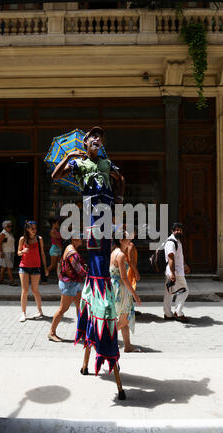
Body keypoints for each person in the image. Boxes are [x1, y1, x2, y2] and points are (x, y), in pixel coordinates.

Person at [52, 126, 126, 399]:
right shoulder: (78, 162)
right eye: (92, 137)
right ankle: (99, 299)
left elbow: (121, 177)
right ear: (85, 142)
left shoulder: (106, 162)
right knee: (96, 255)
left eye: (100, 137)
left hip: (106, 216)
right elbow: (55, 175)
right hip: (92, 218)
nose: (97, 139)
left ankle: (100, 292)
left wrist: (119, 198)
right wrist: (70, 154)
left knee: (104, 252)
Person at [48, 237, 87, 342]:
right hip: (69, 284)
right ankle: (51, 332)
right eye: (79, 239)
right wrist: (91, 273)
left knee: (80, 307)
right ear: (73, 240)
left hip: (74, 282)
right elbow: (79, 270)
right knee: (63, 309)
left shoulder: (69, 247)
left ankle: (82, 331)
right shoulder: (72, 253)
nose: (81, 240)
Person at [110, 232, 142, 352]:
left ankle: (127, 345)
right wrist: (135, 295)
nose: (130, 240)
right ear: (120, 240)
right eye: (127, 238)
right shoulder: (121, 255)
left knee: (124, 317)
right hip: (121, 290)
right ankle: (104, 338)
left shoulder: (114, 252)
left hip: (115, 288)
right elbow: (124, 277)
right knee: (124, 318)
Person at [17, 220, 49, 322]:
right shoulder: (22, 239)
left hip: (36, 267)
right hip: (24, 267)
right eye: (32, 228)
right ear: (27, 229)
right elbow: (18, 252)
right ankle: (23, 313)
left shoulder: (39, 239)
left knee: (35, 290)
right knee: (25, 290)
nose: (34, 230)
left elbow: (43, 254)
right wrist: (22, 251)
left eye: (35, 228)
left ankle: (40, 311)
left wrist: (45, 267)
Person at [163, 222, 191, 323]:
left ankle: (167, 313)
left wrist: (185, 265)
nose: (178, 231)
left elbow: (179, 257)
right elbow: (171, 258)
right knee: (185, 290)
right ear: (172, 231)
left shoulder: (177, 241)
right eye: (176, 230)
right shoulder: (171, 242)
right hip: (175, 272)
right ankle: (178, 313)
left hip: (174, 271)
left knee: (169, 292)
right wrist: (173, 273)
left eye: (180, 229)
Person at [0, 220, 18, 286]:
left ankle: (1, 280)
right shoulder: (3, 233)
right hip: (6, 252)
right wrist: (1, 252)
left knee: (4, 266)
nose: (10, 227)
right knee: (9, 266)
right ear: (4, 227)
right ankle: (12, 281)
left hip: (10, 251)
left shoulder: (9, 233)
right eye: (8, 226)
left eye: (11, 226)